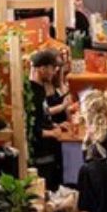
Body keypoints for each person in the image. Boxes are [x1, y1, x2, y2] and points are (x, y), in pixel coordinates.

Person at [26, 50, 66, 188]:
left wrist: (53, 124)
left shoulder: (39, 90)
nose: (54, 72)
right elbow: (33, 128)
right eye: (51, 68)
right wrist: (52, 133)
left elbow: (42, 114)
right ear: (42, 69)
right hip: (41, 155)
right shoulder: (33, 93)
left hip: (48, 152)